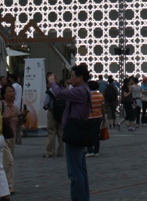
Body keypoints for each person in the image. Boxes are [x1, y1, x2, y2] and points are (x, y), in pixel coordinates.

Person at [48, 64, 93, 201]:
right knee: (81, 170)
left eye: (73, 76)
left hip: (74, 132)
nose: (71, 78)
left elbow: (61, 93)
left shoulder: (80, 91)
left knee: (75, 173)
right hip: (79, 131)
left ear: (80, 77)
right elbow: (65, 92)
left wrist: (52, 83)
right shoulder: (84, 89)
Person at [0, 84, 19, 195]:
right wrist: (9, 115)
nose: (11, 93)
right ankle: (9, 186)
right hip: (2, 137)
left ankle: (0, 184)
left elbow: (18, 122)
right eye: (9, 92)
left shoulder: (15, 107)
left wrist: (23, 117)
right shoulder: (0, 105)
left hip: (12, 136)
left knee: (5, 163)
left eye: (13, 91)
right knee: (9, 161)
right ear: (3, 94)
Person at [86, 80, 106, 157]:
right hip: (98, 117)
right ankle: (96, 150)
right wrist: (104, 117)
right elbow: (102, 108)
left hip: (89, 117)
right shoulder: (100, 96)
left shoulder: (87, 96)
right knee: (96, 134)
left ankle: (90, 150)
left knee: (88, 134)